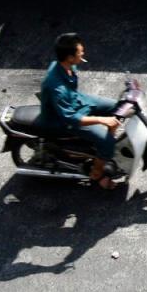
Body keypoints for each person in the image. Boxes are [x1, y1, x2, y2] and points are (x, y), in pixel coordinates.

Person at [38, 33, 121, 189]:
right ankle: (97, 175)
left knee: (117, 106)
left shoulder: (66, 65)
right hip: (64, 119)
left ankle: (103, 150)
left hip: (77, 101)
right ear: (70, 57)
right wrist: (102, 120)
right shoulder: (58, 87)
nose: (83, 53)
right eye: (80, 52)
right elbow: (71, 118)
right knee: (107, 141)